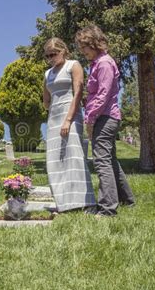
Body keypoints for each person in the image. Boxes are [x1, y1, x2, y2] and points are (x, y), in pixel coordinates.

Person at [75, 25, 135, 217]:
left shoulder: (104, 64)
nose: (83, 52)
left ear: (94, 44)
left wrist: (90, 118)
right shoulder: (97, 63)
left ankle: (107, 208)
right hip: (104, 115)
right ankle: (127, 200)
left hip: (105, 117)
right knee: (111, 161)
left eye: (85, 48)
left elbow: (103, 94)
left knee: (101, 162)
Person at [43, 37, 96, 213]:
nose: (51, 58)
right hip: (53, 118)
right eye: (48, 55)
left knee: (74, 157)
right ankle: (64, 203)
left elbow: (78, 92)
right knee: (55, 160)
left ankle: (86, 202)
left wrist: (68, 119)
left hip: (71, 115)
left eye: (54, 54)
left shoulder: (73, 65)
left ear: (63, 51)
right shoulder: (47, 73)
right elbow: (46, 100)